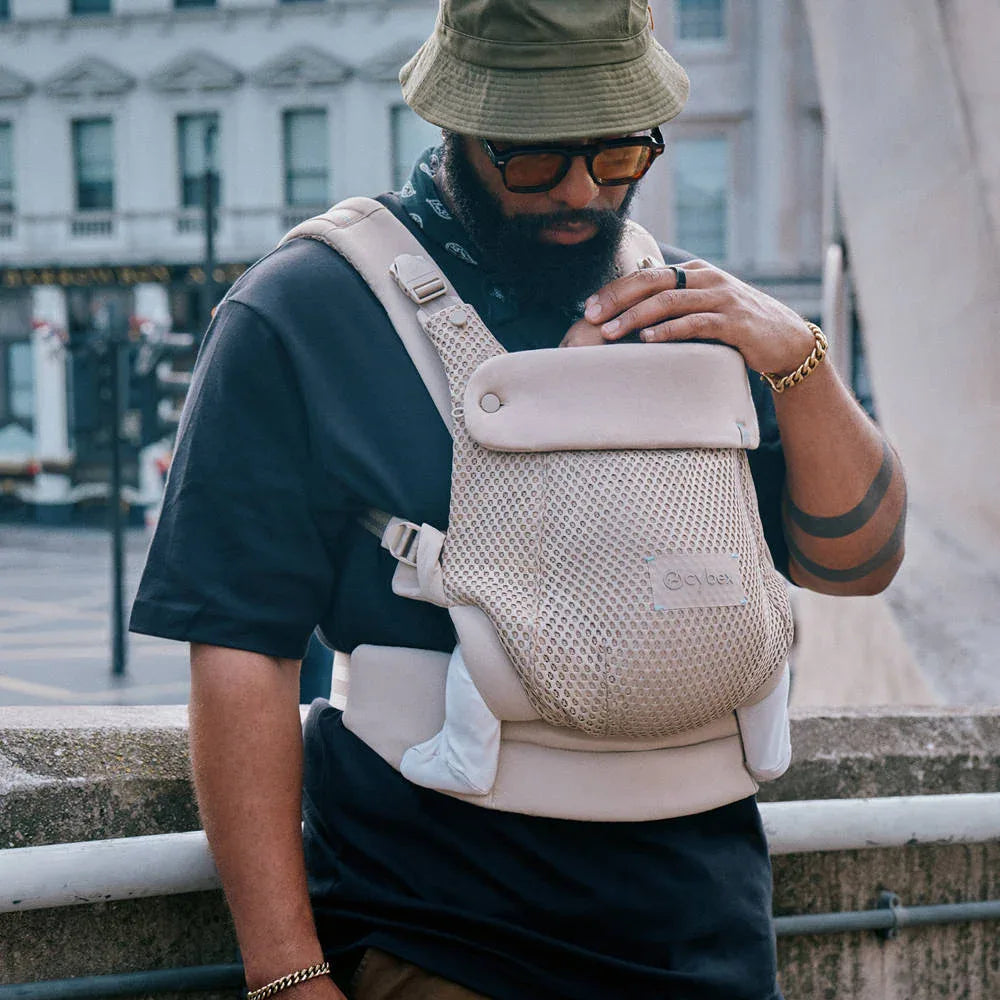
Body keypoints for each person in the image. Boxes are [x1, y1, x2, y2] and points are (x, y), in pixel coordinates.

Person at [130, 2, 907, 998]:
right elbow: (241, 648)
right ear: (457, 122)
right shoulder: (302, 310)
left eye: (619, 153)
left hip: (708, 936)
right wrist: (287, 971)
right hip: (440, 939)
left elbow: (858, 565)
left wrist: (799, 359)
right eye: (535, 157)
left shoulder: (688, 312)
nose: (582, 190)